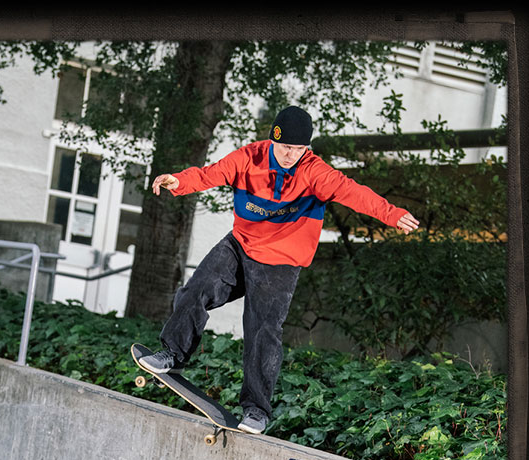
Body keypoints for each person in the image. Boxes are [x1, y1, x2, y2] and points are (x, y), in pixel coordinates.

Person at [139, 106, 420, 434]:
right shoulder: (249, 157)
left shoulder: (315, 172)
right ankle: (173, 354)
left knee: (262, 329)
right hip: (241, 244)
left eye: (298, 149)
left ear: (307, 148)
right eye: (285, 147)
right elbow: (209, 174)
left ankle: (256, 410)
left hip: (281, 261)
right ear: (273, 140)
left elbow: (353, 193)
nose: (290, 155)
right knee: (197, 289)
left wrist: (391, 214)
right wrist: (179, 181)